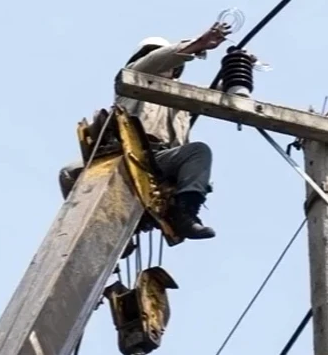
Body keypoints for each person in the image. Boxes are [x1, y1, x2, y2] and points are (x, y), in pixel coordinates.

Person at [58, 23, 232, 241]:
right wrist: (198, 44)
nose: (157, 60)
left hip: (161, 161)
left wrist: (238, 69)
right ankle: (96, 229)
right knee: (70, 172)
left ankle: (185, 215)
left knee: (198, 152)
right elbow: (157, 60)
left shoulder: (183, 97)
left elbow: (218, 96)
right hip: (124, 155)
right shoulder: (132, 77)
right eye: (150, 55)